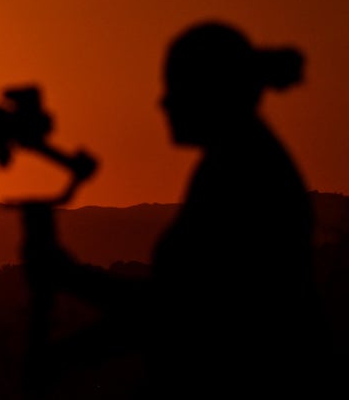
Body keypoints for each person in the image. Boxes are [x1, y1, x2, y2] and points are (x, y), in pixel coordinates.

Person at [27, 21, 321, 398]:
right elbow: (180, 310)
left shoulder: (241, 173)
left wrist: (69, 287)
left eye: (174, 87)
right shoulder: (236, 162)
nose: (162, 103)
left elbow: (186, 315)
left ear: (209, 90)